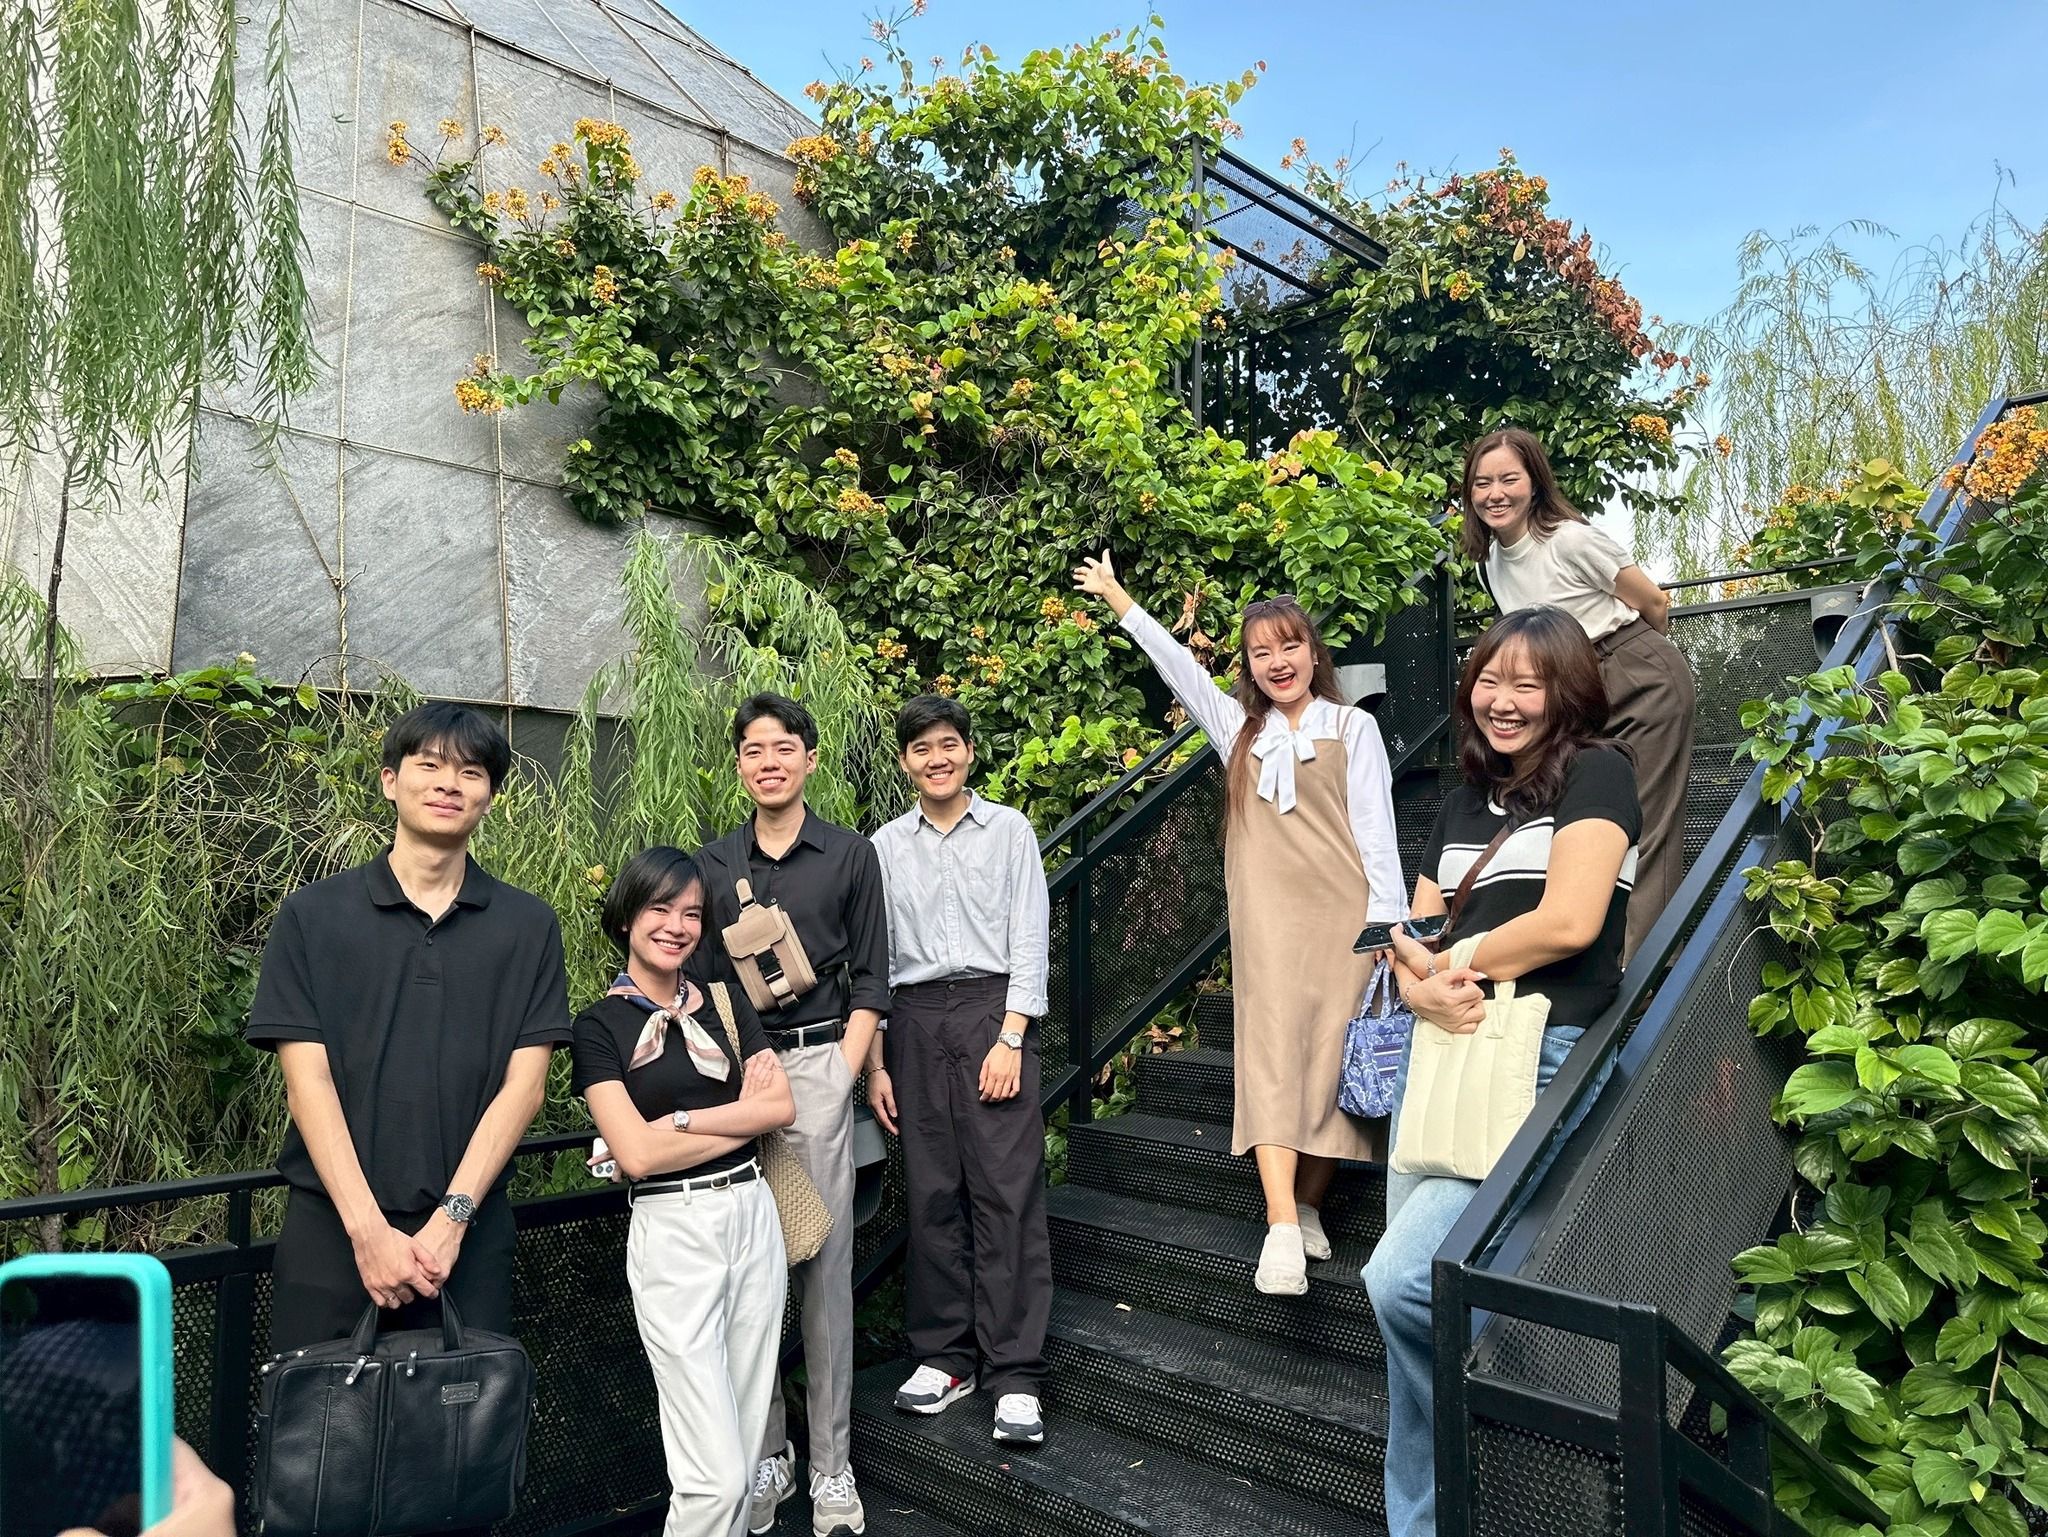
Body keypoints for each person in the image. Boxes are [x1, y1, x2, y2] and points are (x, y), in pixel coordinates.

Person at [1362, 605, 1640, 1537]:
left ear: (1569, 693)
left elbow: (1571, 921)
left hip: (1536, 1051)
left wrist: (1452, 962)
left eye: (1529, 683)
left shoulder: (1600, 773)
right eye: (1490, 679)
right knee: (1414, 1305)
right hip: (1441, 1058)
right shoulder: (1457, 805)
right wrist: (1420, 990)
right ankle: (1423, 1519)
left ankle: (1516, 1457)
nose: (1504, 700)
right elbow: (1413, 939)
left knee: (1407, 1281)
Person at [1071, 554, 1407, 1296]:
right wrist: (1120, 597)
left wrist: (1389, 923)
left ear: (1313, 653)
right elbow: (1178, 671)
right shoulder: (1238, 730)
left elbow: (1378, 832)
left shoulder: (1353, 726)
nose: (1277, 661)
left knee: (1335, 1065)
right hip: (1267, 926)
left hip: (1345, 920)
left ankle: (1309, 1204)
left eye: (1290, 645)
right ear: (1249, 667)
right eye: (1261, 652)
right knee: (1273, 1061)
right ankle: (1281, 1226)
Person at [247, 701, 569, 1362]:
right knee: (320, 1422)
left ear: (490, 796)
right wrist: (367, 1231)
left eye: (471, 772)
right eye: (430, 766)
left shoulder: (528, 925)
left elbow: (525, 1087)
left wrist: (451, 1221)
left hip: (467, 1240)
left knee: (461, 1422)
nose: (449, 784)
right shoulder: (313, 916)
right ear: (391, 780)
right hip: (332, 1231)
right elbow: (307, 1084)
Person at [689, 694, 889, 1537]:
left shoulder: (849, 855)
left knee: (824, 1269)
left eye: (783, 747)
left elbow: (874, 976)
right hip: (735, 1073)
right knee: (747, 1273)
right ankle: (769, 1449)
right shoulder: (710, 863)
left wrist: (844, 1070)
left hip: (817, 1064)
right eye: (753, 749)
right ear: (738, 763)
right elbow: (696, 979)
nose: (768, 761)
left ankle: (832, 1464)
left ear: (810, 758)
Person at [573, 847, 796, 1537]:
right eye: (660, 908)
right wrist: (732, 1118)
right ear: (627, 916)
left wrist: (676, 1123)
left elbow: (779, 1107)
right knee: (714, 1478)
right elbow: (637, 1157)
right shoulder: (597, 1027)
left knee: (747, 1452)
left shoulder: (725, 1000)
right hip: (674, 1231)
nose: (677, 926)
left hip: (752, 1212)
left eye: (692, 913)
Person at [865, 695, 1053, 1446]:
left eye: (948, 744)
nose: (936, 758)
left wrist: (1011, 1036)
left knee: (1006, 1192)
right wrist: (876, 1061)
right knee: (933, 1192)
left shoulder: (1009, 830)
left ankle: (1016, 1373)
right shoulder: (884, 846)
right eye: (921, 748)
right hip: (912, 1020)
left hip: (989, 1013)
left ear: (969, 751)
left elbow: (1029, 936)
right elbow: (876, 959)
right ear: (905, 761)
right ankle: (945, 1357)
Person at [1462, 427, 1694, 958]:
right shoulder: (1490, 562)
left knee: (1644, 823)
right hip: (1569, 689)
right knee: (1585, 815)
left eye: (1508, 479)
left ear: (1535, 483)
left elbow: (1654, 604)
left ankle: (1645, 977)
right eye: (1481, 483)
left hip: (1635, 671)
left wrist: (1632, 661)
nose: (1495, 493)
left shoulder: (1569, 540)